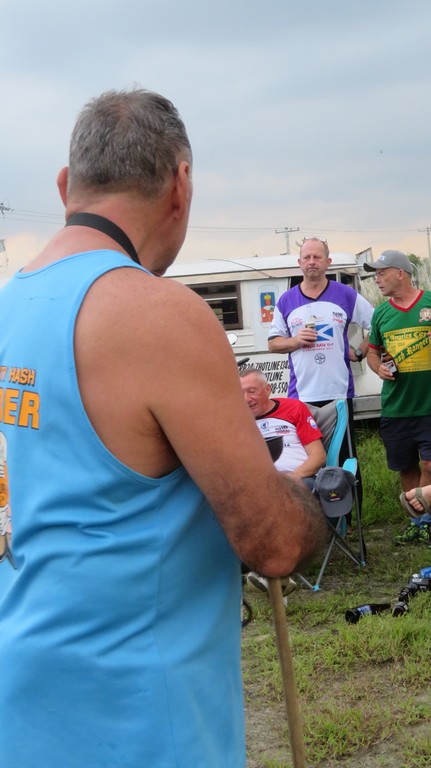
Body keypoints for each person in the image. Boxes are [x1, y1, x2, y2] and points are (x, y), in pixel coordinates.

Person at [0, 88, 327, 768]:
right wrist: (312, 502)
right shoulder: (154, 312)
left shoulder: (12, 304)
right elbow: (271, 543)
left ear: (65, 187)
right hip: (138, 708)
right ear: (180, 185)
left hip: (27, 687)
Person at [267, 236, 374, 517]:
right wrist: (295, 341)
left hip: (338, 394)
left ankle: (349, 522)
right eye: (307, 257)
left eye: (317, 257)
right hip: (301, 399)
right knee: (306, 463)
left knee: (345, 462)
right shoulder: (286, 300)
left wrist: (360, 352)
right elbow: (273, 343)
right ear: (299, 263)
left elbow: (377, 324)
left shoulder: (345, 294)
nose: (312, 262)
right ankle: (313, 521)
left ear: (328, 262)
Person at [240, 367, 326, 597]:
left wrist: (294, 477)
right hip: (255, 484)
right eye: (241, 393)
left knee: (274, 498)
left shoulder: (293, 408)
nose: (246, 399)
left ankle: (273, 571)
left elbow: (318, 456)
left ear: (267, 389)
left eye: (252, 391)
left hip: (298, 479)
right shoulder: (236, 421)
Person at [365, 249, 431, 545]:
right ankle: (417, 523)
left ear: (400, 273)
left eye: (381, 273)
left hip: (428, 404)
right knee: (407, 467)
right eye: (376, 275)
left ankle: (427, 520)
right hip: (396, 406)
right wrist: (378, 368)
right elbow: (372, 352)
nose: (377, 279)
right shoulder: (381, 313)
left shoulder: (428, 303)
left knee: (429, 465)